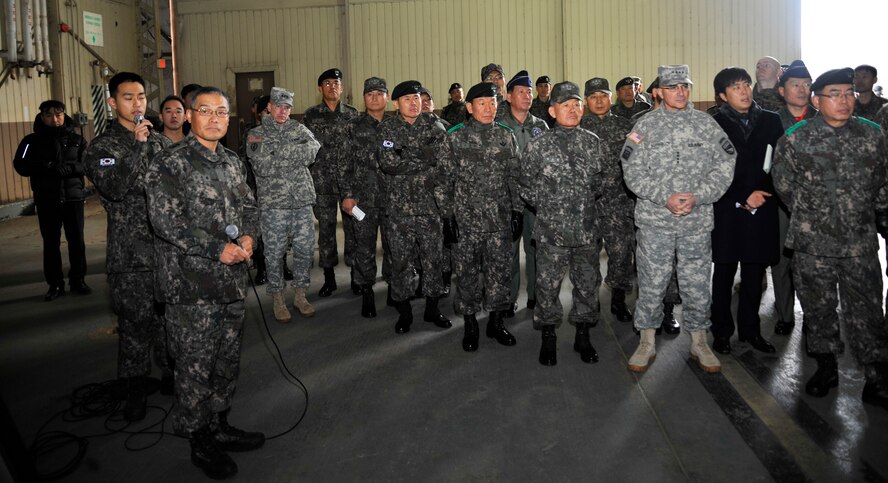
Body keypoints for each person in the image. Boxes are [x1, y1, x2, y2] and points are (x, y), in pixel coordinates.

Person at [145, 86, 264, 479]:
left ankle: (219, 424)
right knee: (195, 365)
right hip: (190, 286)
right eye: (206, 111)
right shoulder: (170, 163)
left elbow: (249, 206)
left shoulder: (232, 161)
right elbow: (166, 221)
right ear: (190, 116)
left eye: (222, 112)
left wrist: (249, 237)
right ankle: (198, 438)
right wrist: (217, 249)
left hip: (230, 284)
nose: (215, 118)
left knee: (226, 359)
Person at [772, 68, 888, 408]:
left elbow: (883, 181)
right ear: (816, 100)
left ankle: (877, 376)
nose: (844, 101)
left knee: (868, 310)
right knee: (819, 309)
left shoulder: (872, 136)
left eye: (848, 94)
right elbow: (784, 186)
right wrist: (814, 216)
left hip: (859, 243)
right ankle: (826, 368)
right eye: (834, 94)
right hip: (813, 245)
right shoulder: (795, 138)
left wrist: (879, 212)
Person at [621, 64, 736, 374]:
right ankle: (646, 341)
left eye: (685, 86)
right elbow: (631, 171)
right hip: (656, 221)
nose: (681, 92)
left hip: (696, 220)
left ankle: (700, 341)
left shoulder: (707, 125)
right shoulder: (643, 127)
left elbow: (725, 164)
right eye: (673, 87)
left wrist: (698, 195)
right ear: (658, 91)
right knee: (652, 282)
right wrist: (665, 197)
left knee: (697, 283)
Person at [84, 72, 170, 420]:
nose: (137, 104)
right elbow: (116, 189)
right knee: (136, 326)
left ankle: (171, 374)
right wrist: (136, 146)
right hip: (130, 254)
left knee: (167, 319)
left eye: (141, 97)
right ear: (112, 103)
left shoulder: (160, 142)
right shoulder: (103, 148)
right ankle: (134, 388)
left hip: (165, 249)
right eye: (128, 97)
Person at [519, 81, 606, 366]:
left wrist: (582, 204)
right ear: (553, 111)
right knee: (547, 287)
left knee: (587, 285)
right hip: (551, 233)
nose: (573, 109)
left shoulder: (593, 143)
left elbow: (602, 182)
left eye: (577, 104)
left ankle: (583, 334)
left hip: (585, 230)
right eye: (566, 105)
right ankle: (548, 336)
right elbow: (526, 185)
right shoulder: (538, 146)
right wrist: (549, 204)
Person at [440, 82, 521, 352]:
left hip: (498, 221)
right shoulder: (454, 137)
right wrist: (447, 216)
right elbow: (443, 181)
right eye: (482, 103)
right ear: (469, 107)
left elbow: (514, 176)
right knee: (467, 275)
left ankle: (496, 322)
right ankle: (471, 323)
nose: (489, 108)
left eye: (493, 103)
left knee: (500, 273)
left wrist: (517, 210)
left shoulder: (506, 136)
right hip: (466, 221)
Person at [709, 67, 784, 355]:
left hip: (762, 207)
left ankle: (751, 332)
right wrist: (742, 196)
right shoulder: (713, 124)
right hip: (727, 209)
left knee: (754, 276)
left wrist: (762, 194)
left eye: (746, 85)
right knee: (724, 276)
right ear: (722, 96)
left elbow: (780, 164)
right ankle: (722, 332)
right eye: (735, 87)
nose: (744, 91)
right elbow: (709, 170)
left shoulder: (770, 120)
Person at [377, 80, 451, 334]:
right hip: (398, 210)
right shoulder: (387, 128)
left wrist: (405, 153)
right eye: (408, 99)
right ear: (396, 103)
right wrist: (423, 156)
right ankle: (405, 311)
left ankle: (432, 308)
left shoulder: (435, 126)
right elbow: (388, 163)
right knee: (400, 262)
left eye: (418, 98)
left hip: (431, 207)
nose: (414, 103)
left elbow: (442, 163)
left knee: (433, 259)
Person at [248, 87, 321, 321]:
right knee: (274, 253)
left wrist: (278, 153)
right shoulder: (256, 134)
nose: (282, 111)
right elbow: (261, 166)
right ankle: (278, 299)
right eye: (278, 106)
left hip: (301, 200)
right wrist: (294, 154)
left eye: (287, 107)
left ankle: (300, 295)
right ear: (269, 107)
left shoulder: (299, 128)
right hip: (274, 204)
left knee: (304, 250)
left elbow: (313, 151)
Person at [13, 100, 90, 300]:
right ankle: (55, 284)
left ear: (64, 115)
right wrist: (45, 166)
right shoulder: (30, 141)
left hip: (73, 198)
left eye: (58, 114)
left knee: (76, 242)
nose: (54, 119)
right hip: (47, 199)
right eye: (49, 115)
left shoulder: (77, 140)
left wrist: (71, 169)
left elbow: (88, 164)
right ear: (42, 117)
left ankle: (78, 280)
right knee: (51, 243)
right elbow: (20, 164)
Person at [579, 78, 635, 324]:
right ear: (586, 101)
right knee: (587, 257)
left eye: (603, 95)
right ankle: (589, 301)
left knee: (621, 254)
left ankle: (619, 299)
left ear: (611, 97)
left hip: (618, 203)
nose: (599, 101)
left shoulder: (626, 127)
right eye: (593, 97)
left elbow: (637, 163)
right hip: (587, 206)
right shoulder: (576, 128)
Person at [303, 68, 361, 297]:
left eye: (336, 83)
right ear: (320, 89)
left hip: (348, 183)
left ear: (342, 87)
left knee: (352, 228)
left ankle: (356, 275)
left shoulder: (353, 115)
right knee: (326, 230)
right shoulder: (311, 115)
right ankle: (329, 278)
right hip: (323, 182)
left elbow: (358, 150)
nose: (332, 87)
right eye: (327, 83)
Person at [341, 77, 392, 318]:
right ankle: (367, 290)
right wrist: (348, 196)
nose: (374, 97)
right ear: (364, 98)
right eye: (369, 93)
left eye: (379, 93)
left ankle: (395, 288)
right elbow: (345, 165)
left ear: (387, 97)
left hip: (394, 197)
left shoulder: (396, 125)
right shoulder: (353, 126)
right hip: (364, 198)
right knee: (364, 246)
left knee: (394, 245)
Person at [771, 60, 816, 336]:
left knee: (814, 263)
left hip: (816, 205)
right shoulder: (771, 121)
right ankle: (786, 314)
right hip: (780, 202)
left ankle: (814, 317)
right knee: (781, 260)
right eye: (795, 85)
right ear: (781, 90)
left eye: (807, 85)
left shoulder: (823, 119)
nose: (802, 90)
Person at [500, 70, 549, 319]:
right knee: (509, 250)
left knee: (535, 247)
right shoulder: (498, 125)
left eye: (530, 92)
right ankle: (508, 298)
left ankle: (534, 296)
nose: (528, 96)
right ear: (509, 96)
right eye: (522, 92)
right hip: (507, 199)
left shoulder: (540, 126)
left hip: (534, 200)